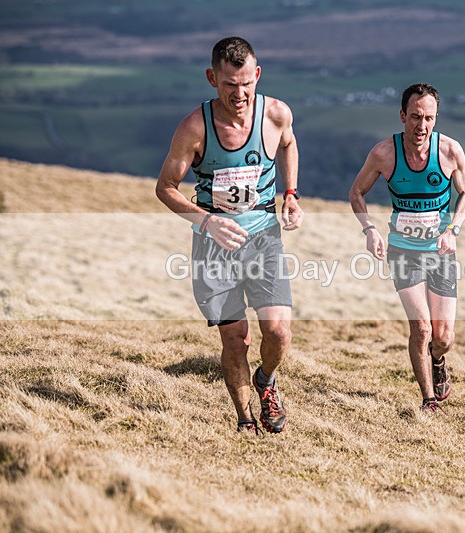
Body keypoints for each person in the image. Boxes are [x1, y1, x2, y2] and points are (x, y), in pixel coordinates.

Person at [156, 37, 303, 434]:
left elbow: (288, 144)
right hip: (213, 246)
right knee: (235, 340)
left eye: (245, 84)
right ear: (212, 79)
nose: (239, 95)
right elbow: (165, 187)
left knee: (277, 331)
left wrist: (289, 194)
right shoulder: (194, 128)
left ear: (257, 76)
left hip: (263, 238)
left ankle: (266, 380)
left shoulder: (275, 114)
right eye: (228, 85)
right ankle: (245, 421)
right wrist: (206, 221)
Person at [349, 83, 465, 414]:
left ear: (436, 118)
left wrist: (453, 230)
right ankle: (428, 399)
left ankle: (438, 359)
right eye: (416, 117)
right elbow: (356, 193)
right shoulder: (383, 154)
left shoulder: (449, 151)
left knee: (443, 336)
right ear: (403, 115)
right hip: (403, 250)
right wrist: (370, 230)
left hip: (441, 252)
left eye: (429, 118)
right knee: (421, 327)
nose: (422, 126)